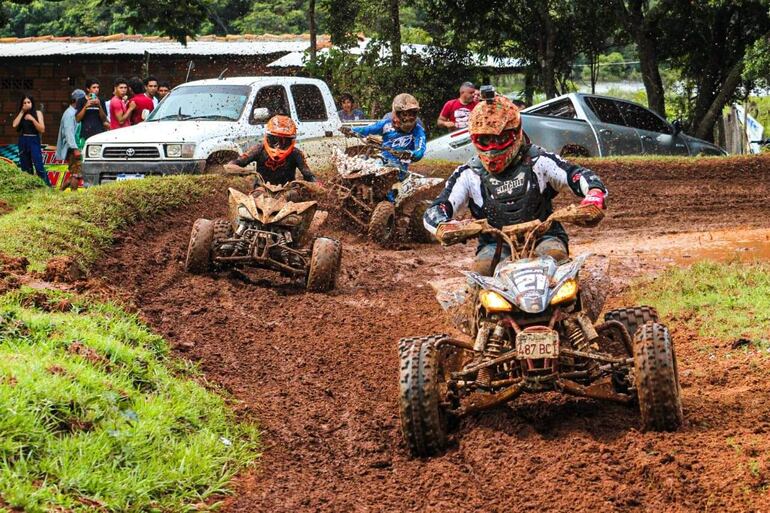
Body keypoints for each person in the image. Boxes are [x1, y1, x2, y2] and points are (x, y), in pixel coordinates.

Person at [423, 92, 607, 275]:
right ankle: (474, 305)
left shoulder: (539, 160)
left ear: (515, 133)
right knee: (482, 271)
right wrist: (442, 224)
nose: (493, 146)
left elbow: (577, 175)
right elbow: (438, 207)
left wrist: (594, 193)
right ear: (474, 139)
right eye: (485, 140)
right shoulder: (468, 173)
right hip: (495, 244)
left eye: (500, 138)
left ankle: (577, 303)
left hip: (544, 235)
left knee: (555, 256)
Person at [341, 93, 426, 178]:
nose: (408, 118)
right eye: (404, 114)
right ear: (396, 113)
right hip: (382, 159)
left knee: (391, 178)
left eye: (412, 114)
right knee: (361, 163)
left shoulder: (418, 130)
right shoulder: (386, 124)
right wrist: (351, 130)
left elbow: (420, 150)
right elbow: (368, 129)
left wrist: (410, 154)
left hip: (399, 167)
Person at [224, 115, 317, 186]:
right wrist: (241, 170)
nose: (278, 146)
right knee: (256, 196)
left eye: (284, 142)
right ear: (267, 137)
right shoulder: (258, 149)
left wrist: (317, 185)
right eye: (274, 140)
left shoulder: (296, 153)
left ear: (291, 141)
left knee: (294, 195)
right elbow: (237, 162)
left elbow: (308, 174)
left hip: (287, 189)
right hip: (262, 188)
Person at [12, 94, 50, 186]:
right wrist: (22, 111)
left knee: (38, 165)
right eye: (24, 103)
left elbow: (42, 129)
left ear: (32, 103)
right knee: (25, 166)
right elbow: (14, 125)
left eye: (28, 102)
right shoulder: (21, 114)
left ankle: (46, 186)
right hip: (23, 140)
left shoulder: (37, 113)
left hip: (34, 139)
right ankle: (29, 187)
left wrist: (32, 119)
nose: (26, 104)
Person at [55, 89, 86, 190]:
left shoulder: (75, 113)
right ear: (76, 100)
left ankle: (60, 191)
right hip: (73, 149)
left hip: (76, 147)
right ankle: (73, 195)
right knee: (76, 174)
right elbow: (69, 133)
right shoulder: (69, 114)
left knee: (77, 173)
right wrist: (74, 148)